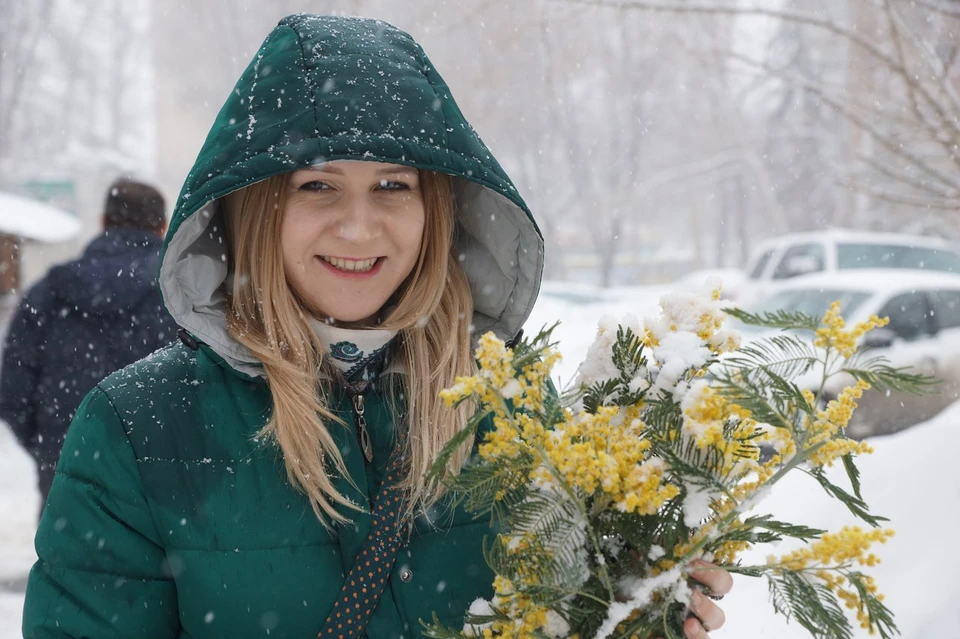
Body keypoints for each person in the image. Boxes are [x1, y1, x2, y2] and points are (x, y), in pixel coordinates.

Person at [21, 15, 732, 638]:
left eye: (394, 185)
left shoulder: (511, 406)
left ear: (440, 208)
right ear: (255, 206)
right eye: (317, 184)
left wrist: (636, 604)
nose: (359, 225)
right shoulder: (136, 431)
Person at [0, 178, 176, 510]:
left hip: (68, 480)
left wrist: (52, 446)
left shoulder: (48, 293)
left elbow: (13, 392)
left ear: (103, 223)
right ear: (163, 226)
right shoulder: (184, 294)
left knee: (71, 560)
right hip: (167, 483)